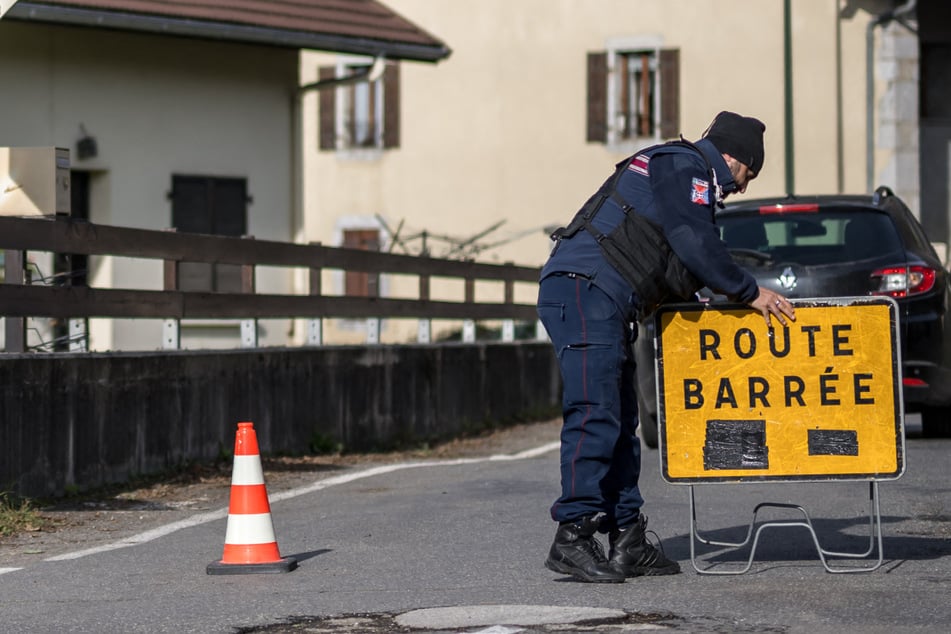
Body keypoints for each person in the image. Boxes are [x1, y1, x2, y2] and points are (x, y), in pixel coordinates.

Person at [537, 111, 796, 583]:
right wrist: (749, 292)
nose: (742, 186)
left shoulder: (679, 171)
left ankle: (627, 538)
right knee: (595, 412)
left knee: (620, 422)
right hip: (583, 288)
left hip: (601, 294)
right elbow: (692, 240)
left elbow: (676, 258)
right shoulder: (686, 166)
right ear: (735, 157)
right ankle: (573, 534)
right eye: (747, 174)